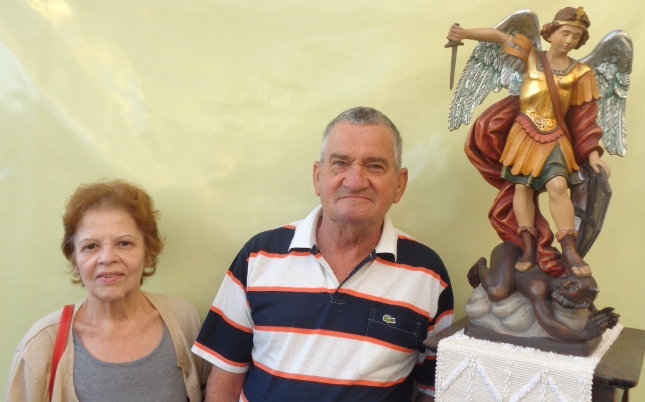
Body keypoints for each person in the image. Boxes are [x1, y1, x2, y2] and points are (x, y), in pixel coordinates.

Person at [192, 107, 454, 402]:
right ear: (318, 177)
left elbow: (435, 391)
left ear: (400, 184)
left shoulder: (428, 275)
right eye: (340, 163)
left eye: (375, 166)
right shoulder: (258, 257)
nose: (355, 181)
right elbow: (224, 383)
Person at [6, 180, 210, 402]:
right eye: (91, 246)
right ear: (74, 261)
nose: (107, 258)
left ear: (149, 253)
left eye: (124, 243)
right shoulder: (41, 346)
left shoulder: (185, 320)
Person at [447, 7, 610, 278]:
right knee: (522, 189)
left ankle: (569, 248)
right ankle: (528, 247)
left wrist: (592, 154)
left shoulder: (581, 72)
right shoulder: (531, 56)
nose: (569, 40)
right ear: (551, 32)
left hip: (556, 135)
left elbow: (585, 117)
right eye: (565, 33)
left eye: (576, 36)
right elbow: (499, 36)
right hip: (524, 132)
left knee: (558, 185)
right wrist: (463, 33)